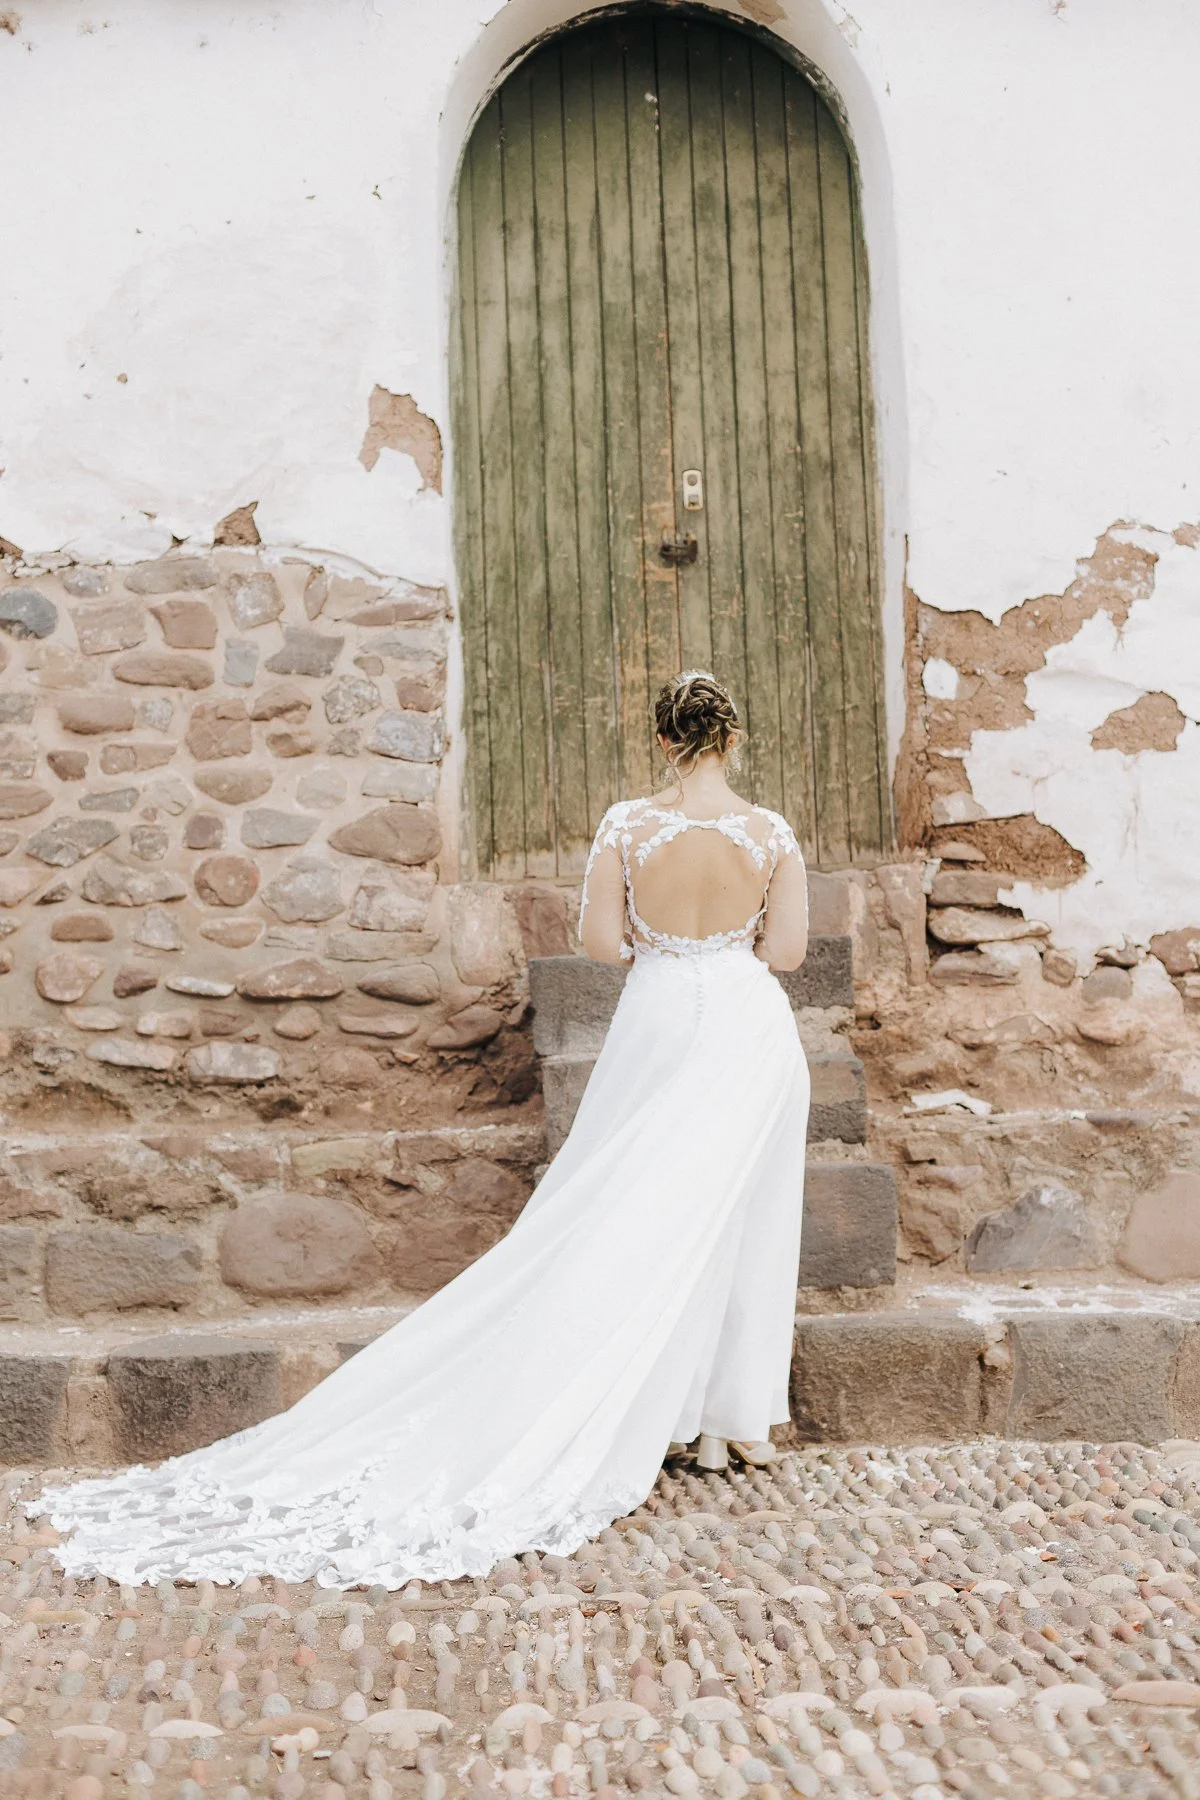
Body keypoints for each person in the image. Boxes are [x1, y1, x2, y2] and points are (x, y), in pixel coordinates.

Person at [24, 671, 810, 1589]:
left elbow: (602, 944)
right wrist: (726, 946)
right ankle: (726, 1422)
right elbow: (786, 956)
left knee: (624, 1207)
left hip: (662, 1017)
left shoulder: (628, 825)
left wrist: (667, 947)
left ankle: (659, 1408)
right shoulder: (771, 834)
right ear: (734, 737)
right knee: (740, 1216)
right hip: (749, 1030)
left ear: (665, 742)